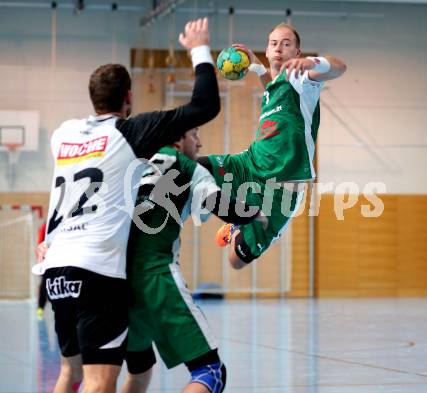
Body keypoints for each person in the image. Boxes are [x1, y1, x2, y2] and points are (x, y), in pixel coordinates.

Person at [33, 17, 220, 393]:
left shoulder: (62, 134)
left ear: (93, 97)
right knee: (101, 382)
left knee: (70, 375)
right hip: (97, 270)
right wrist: (200, 48)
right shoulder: (127, 133)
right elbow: (205, 104)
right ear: (129, 98)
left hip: (55, 269)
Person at [121, 127, 267, 393]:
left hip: (118, 279)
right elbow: (221, 204)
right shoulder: (188, 167)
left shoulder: (135, 164)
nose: (199, 143)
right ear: (177, 141)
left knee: (139, 370)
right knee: (211, 372)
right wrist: (256, 214)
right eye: (194, 135)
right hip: (156, 275)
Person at [199, 23, 347, 269]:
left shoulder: (302, 80)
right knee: (194, 168)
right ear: (268, 51)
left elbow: (340, 67)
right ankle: (238, 214)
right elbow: (270, 86)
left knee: (236, 260)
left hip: (281, 190)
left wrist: (314, 63)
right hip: (250, 164)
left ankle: (239, 225)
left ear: (297, 53)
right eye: (274, 43)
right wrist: (257, 65)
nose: (279, 47)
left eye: (287, 44)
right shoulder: (273, 86)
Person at [36, 222, 47, 319]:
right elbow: (40, 242)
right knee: (44, 284)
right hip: (47, 260)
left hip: (61, 260)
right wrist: (40, 259)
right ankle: (40, 308)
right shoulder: (45, 225)